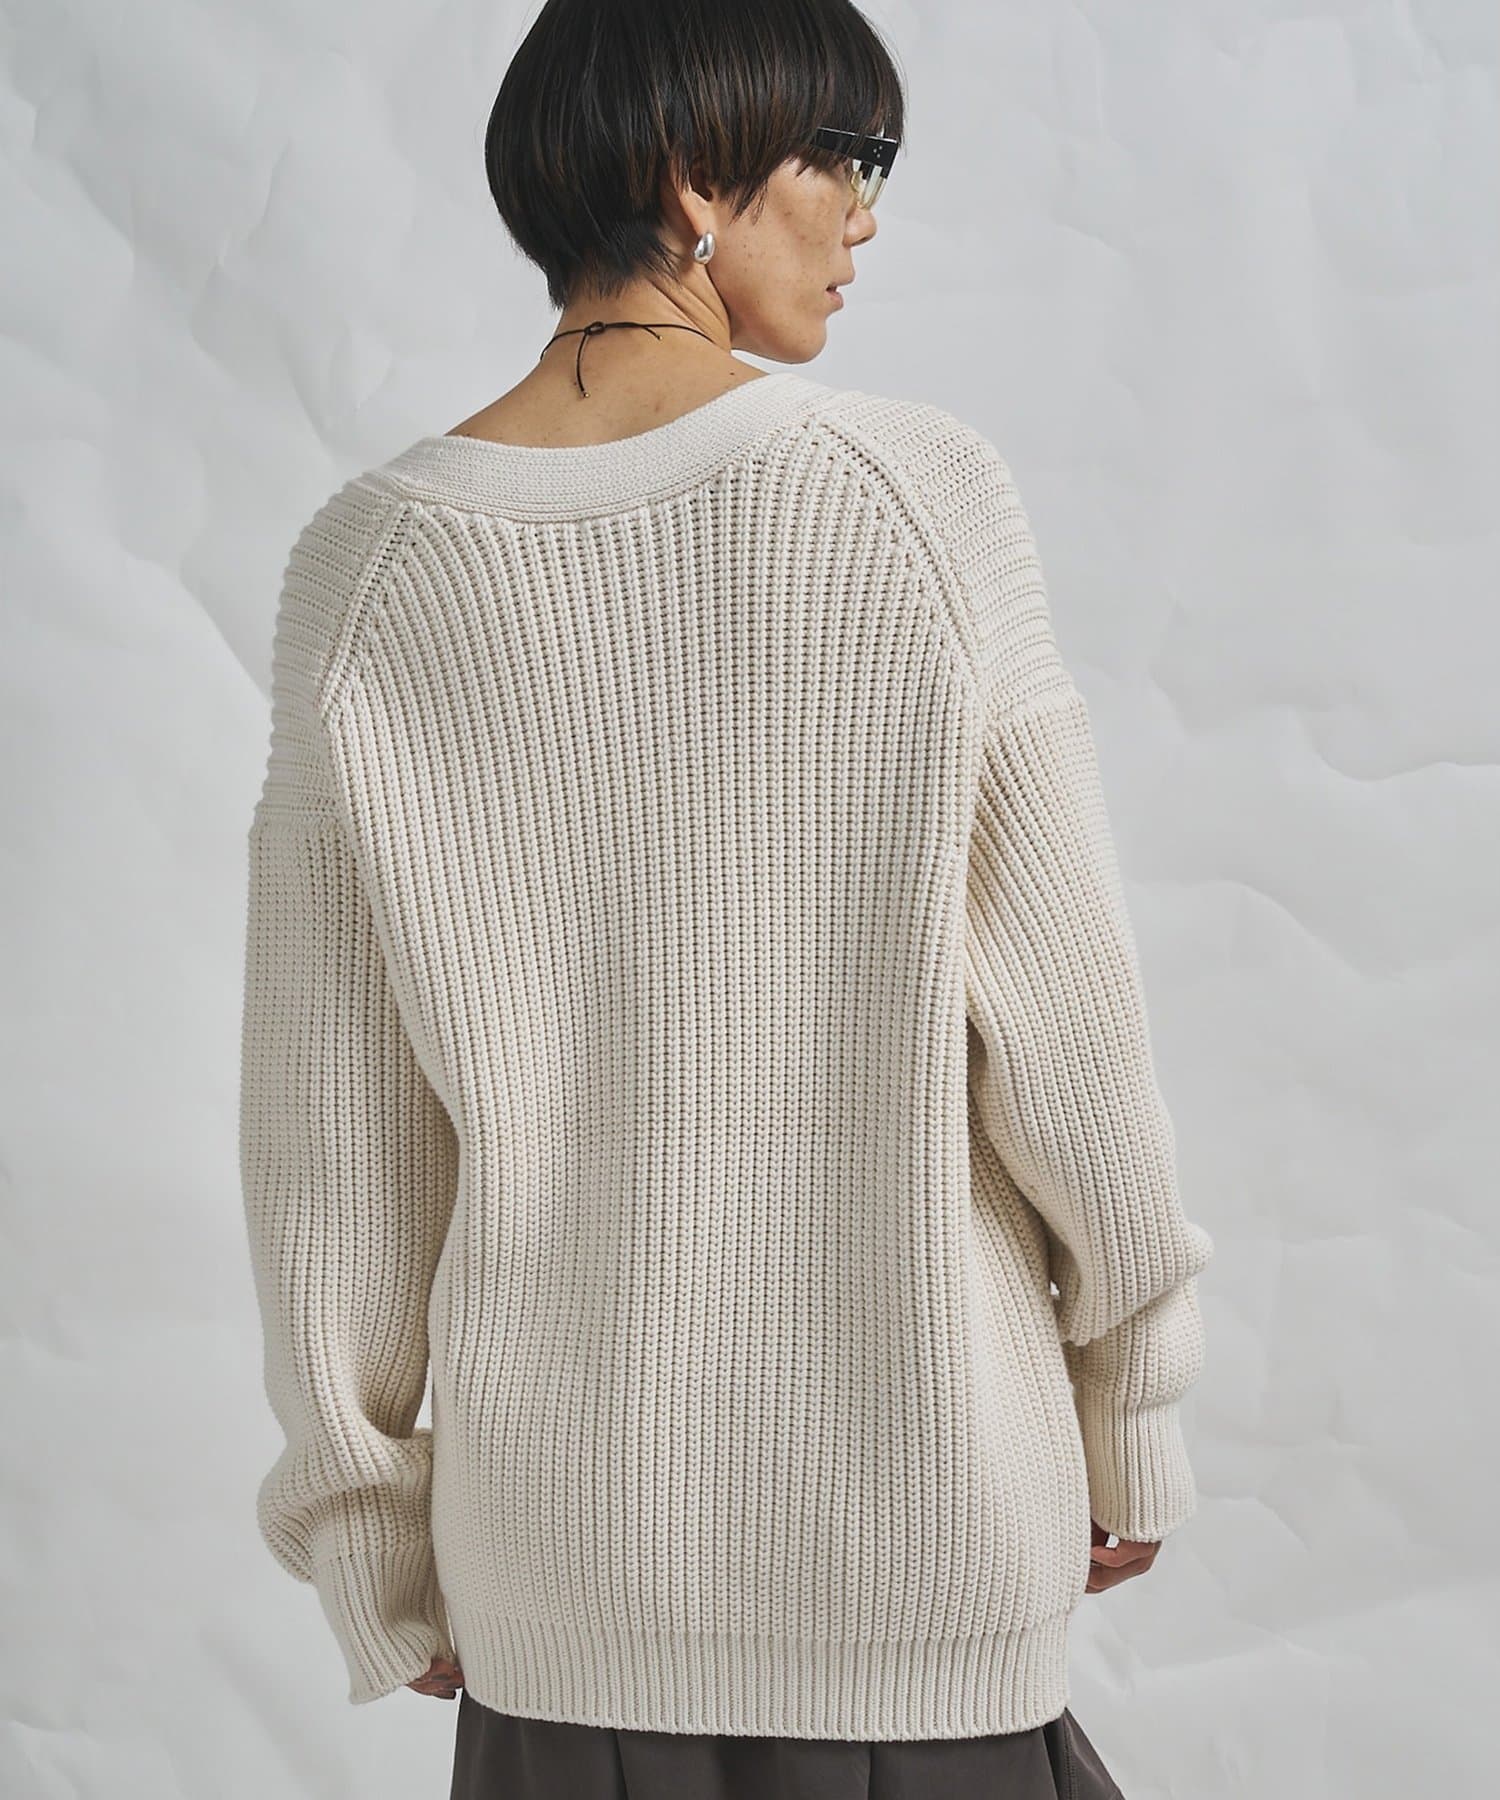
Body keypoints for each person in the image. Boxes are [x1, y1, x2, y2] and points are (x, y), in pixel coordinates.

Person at [237, 1, 1215, 1794]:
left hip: (561, 1573)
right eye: (844, 156)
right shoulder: (914, 497)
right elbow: (1071, 1044)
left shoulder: (367, 568)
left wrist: (372, 1537)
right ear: (695, 176)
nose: (866, 214)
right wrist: (1132, 1403)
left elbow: (336, 1135)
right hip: (923, 1537)